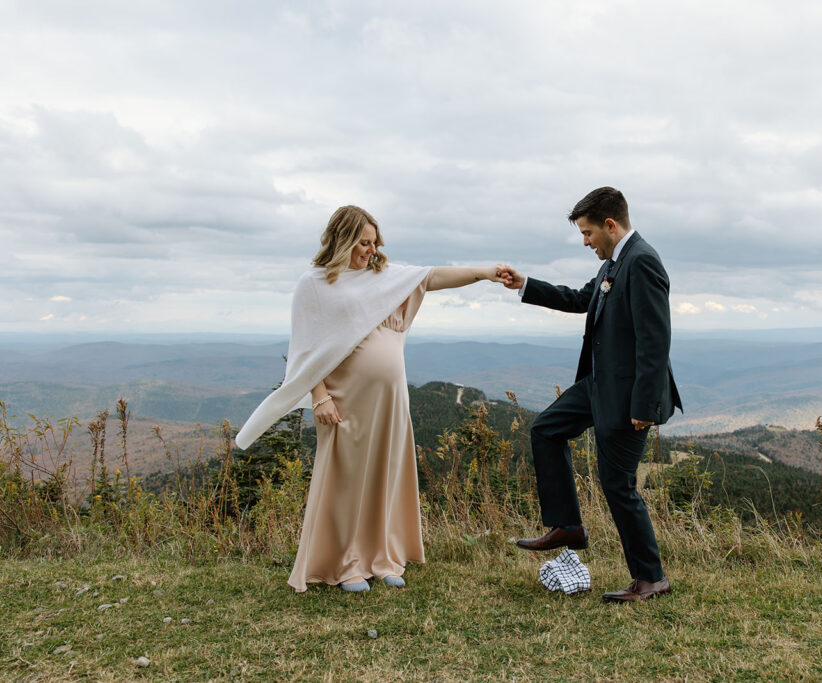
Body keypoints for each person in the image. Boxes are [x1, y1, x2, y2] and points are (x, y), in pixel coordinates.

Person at [235, 205, 504, 593]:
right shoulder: (313, 285)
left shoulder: (385, 278)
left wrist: (484, 273)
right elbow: (305, 348)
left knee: (386, 473)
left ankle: (384, 557)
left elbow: (432, 276)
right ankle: (346, 565)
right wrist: (319, 396)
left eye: (374, 242)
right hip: (344, 398)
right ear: (341, 239)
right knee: (347, 480)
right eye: (362, 242)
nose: (370, 250)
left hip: (391, 399)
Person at [497, 187, 683, 603]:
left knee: (618, 485)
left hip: (630, 395)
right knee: (545, 429)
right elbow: (581, 299)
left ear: (610, 225)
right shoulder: (614, 263)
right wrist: (526, 285)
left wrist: (645, 406)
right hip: (598, 385)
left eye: (588, 233)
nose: (585, 242)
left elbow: (656, 340)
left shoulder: (643, 261)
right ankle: (568, 525)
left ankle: (650, 578)